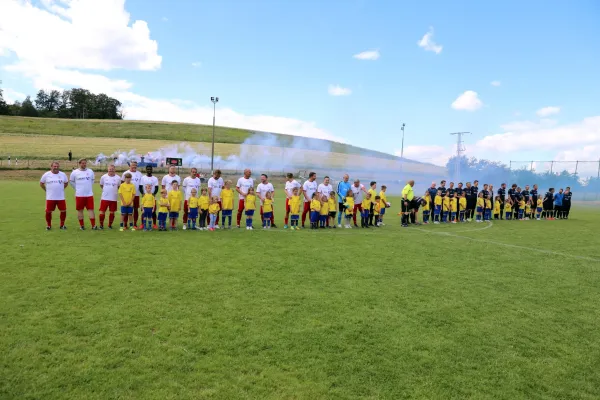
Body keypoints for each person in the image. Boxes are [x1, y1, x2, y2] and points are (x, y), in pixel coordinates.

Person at [40, 161, 69, 230]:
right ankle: (48, 225)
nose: (56, 167)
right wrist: (46, 190)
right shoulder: (46, 174)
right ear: (51, 167)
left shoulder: (63, 174)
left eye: (57, 166)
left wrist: (61, 189)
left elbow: (66, 183)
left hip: (60, 197)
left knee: (63, 210)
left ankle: (62, 225)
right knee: (48, 211)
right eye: (54, 166)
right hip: (50, 197)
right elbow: (41, 183)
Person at [69, 158, 96, 230]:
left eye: (85, 163)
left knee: (91, 209)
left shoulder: (90, 171)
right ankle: (82, 226)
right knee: (80, 210)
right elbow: (71, 182)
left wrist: (88, 187)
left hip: (89, 195)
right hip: (79, 195)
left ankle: (93, 226)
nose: (84, 164)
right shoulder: (74, 172)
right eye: (83, 163)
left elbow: (92, 180)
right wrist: (77, 188)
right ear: (79, 163)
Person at [121, 161, 143, 227]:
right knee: (126, 210)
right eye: (132, 165)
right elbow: (122, 184)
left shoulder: (140, 174)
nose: (134, 166)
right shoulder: (125, 173)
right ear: (129, 166)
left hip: (136, 195)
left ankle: (135, 224)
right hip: (127, 196)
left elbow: (141, 185)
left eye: (135, 165)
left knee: (135, 209)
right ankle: (125, 224)